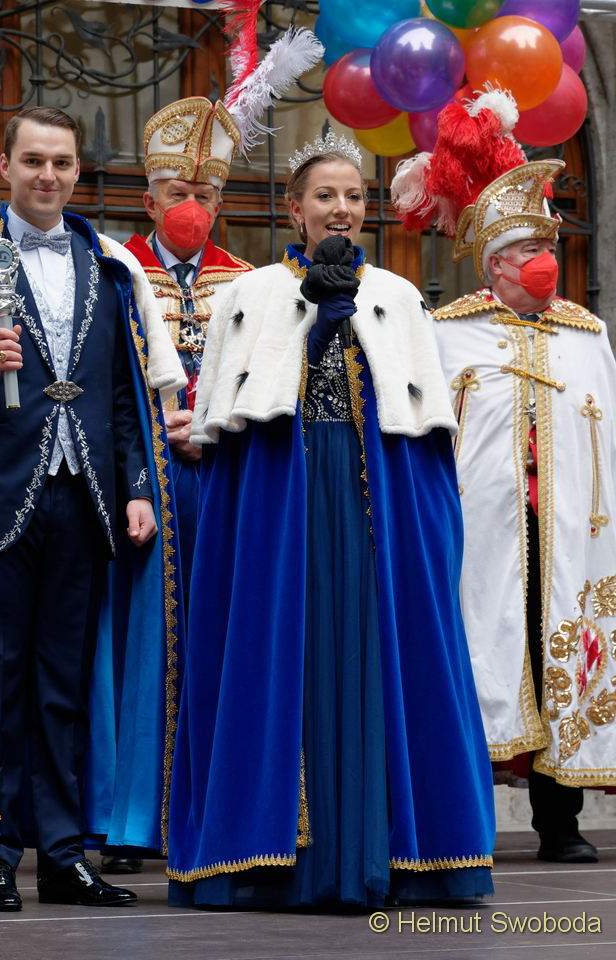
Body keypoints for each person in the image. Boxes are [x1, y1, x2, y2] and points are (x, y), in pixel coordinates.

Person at [166, 130, 495, 910]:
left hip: (375, 506)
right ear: (295, 209)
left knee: (378, 658)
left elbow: (422, 429)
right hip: (284, 505)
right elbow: (230, 426)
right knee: (287, 657)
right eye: (325, 196)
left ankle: (385, 851)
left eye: (353, 196)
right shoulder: (252, 297)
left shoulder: (399, 297)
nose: (340, 208)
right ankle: (280, 858)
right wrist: (314, 327)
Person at [0, 106, 186, 911]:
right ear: (6, 168)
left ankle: (61, 855)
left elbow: (124, 393)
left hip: (83, 501)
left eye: (61, 163)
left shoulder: (109, 266)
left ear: (78, 171)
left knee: (65, 685)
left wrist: (136, 486)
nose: (47, 176)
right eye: (33, 161)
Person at [393, 88, 616, 865]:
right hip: (483, 529)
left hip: (568, 531)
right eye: (524, 252)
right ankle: (466, 822)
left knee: (563, 654)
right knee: (479, 653)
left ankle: (561, 819)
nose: (541, 261)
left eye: (545, 245)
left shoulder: (589, 335)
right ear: (493, 266)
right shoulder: (448, 334)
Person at [98, 97, 253, 877]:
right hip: (142, 486)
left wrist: (215, 424)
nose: (192, 207)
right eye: (177, 193)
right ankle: (129, 819)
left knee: (220, 638)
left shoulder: (250, 284)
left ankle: (213, 810)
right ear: (149, 199)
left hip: (222, 479)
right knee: (138, 645)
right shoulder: (113, 274)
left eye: (206, 194)